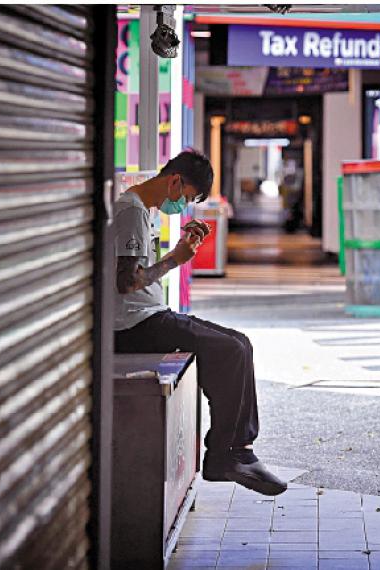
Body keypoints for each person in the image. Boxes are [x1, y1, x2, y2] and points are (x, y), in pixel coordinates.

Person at [113, 149, 287, 496]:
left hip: (148, 316)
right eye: (188, 197)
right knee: (228, 351)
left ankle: (236, 451)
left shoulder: (143, 210)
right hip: (131, 325)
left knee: (240, 344)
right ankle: (227, 454)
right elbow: (126, 282)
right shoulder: (131, 208)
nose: (183, 205)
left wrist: (178, 250)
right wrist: (176, 260)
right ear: (174, 180)